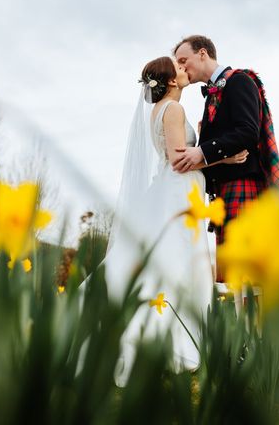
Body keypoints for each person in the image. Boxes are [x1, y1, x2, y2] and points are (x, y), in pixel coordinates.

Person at [103, 56, 248, 386]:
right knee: (179, 263)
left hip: (174, 190)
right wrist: (227, 156)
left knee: (174, 262)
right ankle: (166, 342)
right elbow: (180, 160)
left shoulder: (159, 111)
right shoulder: (173, 109)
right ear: (170, 81)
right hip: (179, 193)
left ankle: (175, 334)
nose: (185, 71)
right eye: (179, 68)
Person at [172, 35, 279, 283]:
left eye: (184, 60)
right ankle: (243, 324)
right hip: (225, 192)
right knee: (235, 282)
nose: (181, 67)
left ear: (202, 53)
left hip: (243, 185)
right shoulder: (211, 96)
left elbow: (248, 132)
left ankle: (259, 324)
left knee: (250, 277)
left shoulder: (240, 81)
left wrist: (202, 152)